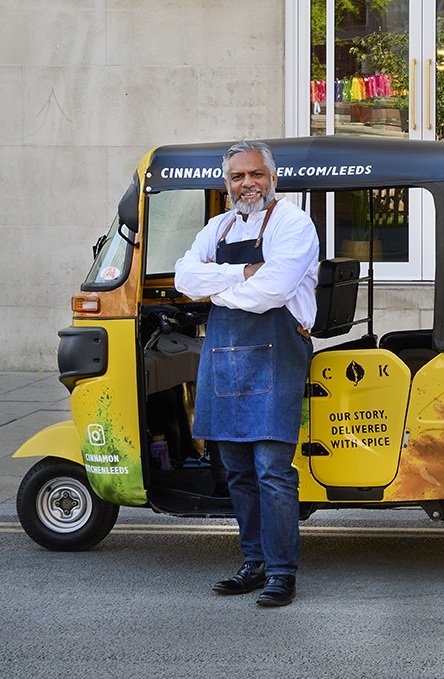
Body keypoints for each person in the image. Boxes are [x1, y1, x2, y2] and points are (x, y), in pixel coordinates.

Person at [174, 140, 320, 608]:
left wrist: (216, 284)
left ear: (272, 178)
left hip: (277, 352)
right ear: (226, 183)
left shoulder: (293, 224)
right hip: (226, 354)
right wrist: (241, 276)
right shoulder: (216, 227)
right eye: (237, 176)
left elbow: (271, 293)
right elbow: (183, 279)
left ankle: (281, 572)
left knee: (272, 470)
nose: (247, 184)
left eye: (255, 174)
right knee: (235, 469)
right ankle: (252, 563)